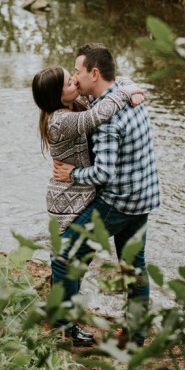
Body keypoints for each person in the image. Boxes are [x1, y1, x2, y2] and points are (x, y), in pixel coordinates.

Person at [51, 43, 160, 348]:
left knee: (63, 255)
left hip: (118, 202)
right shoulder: (124, 85)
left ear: (94, 72)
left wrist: (69, 174)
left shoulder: (107, 121)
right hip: (145, 197)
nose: (74, 76)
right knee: (134, 266)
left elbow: (104, 174)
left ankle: (61, 330)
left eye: (77, 71)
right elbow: (129, 87)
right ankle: (136, 336)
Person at [31, 65, 144, 346]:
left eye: (74, 75)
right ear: (58, 96)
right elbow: (100, 114)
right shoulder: (60, 120)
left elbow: (106, 86)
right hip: (67, 200)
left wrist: (130, 86)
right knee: (65, 259)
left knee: (77, 261)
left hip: (81, 195)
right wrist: (131, 92)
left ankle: (67, 321)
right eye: (70, 81)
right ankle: (62, 326)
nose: (75, 80)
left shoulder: (73, 105)